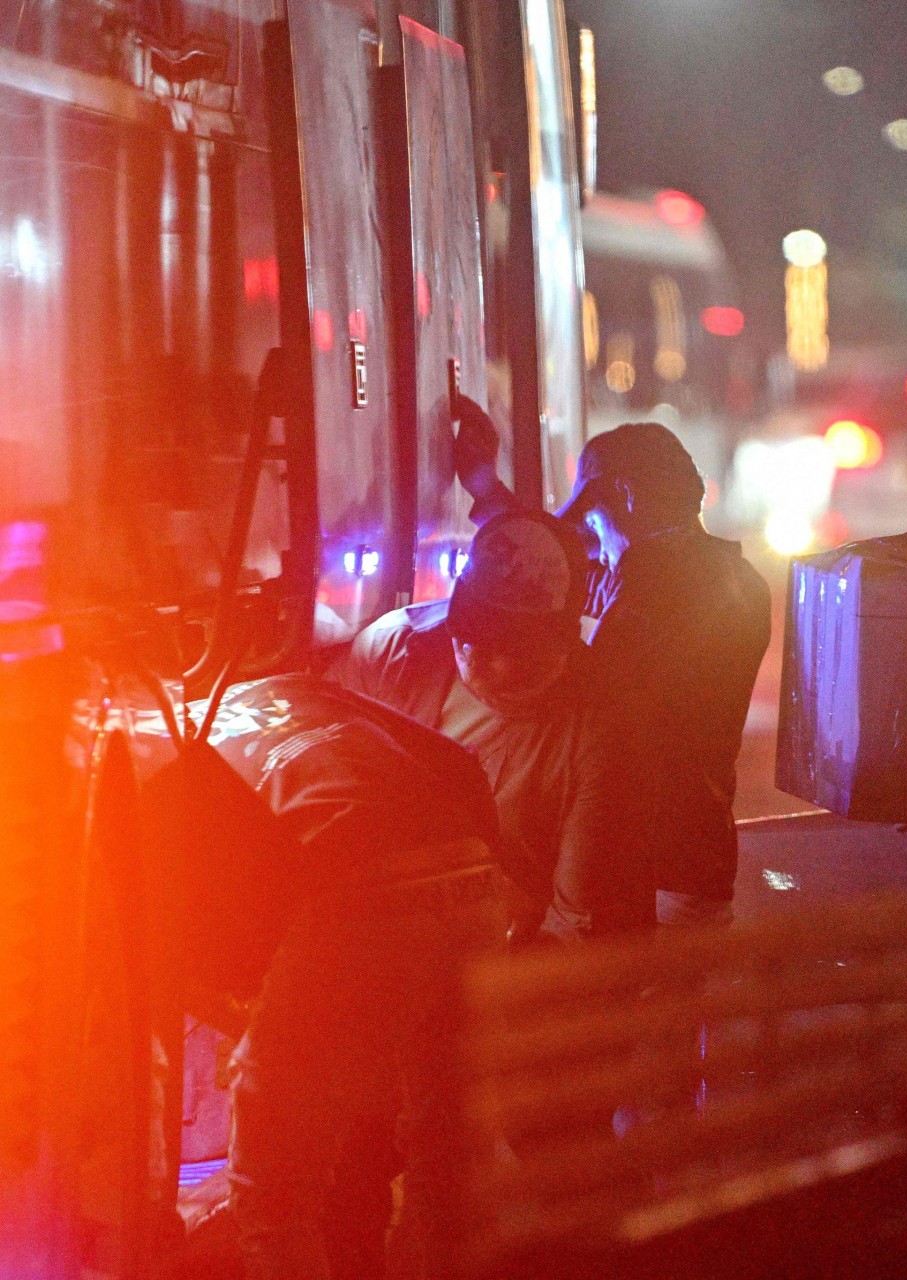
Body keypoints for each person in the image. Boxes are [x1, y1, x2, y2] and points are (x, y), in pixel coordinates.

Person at [209, 678, 504, 1280]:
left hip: (357, 896)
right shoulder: (295, 685)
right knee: (445, 1151)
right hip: (471, 873)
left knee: (275, 1187)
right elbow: (457, 759)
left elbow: (188, 923)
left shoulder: (145, 735)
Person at [455, 406, 771, 927]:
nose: (590, 534)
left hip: (658, 872)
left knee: (646, 1006)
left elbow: (575, 689)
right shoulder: (722, 577)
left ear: (623, 496)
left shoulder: (647, 605)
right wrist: (490, 494)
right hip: (694, 856)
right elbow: (560, 572)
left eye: (592, 513)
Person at [335, 510, 654, 940]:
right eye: (474, 642)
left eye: (519, 651)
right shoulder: (393, 651)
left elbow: (576, 920)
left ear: (565, 639)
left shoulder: (606, 725)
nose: (493, 668)